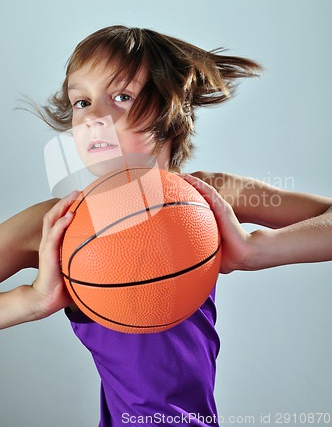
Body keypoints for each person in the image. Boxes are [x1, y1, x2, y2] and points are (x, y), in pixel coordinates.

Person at [0, 25, 332, 426]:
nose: (94, 118)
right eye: (82, 101)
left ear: (171, 109)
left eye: (121, 96)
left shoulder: (210, 196)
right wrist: (31, 301)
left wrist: (257, 250)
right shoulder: (56, 224)